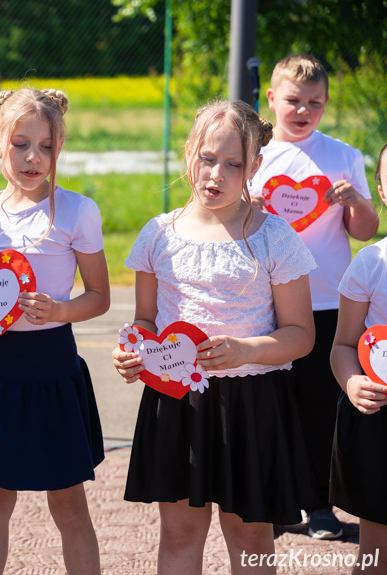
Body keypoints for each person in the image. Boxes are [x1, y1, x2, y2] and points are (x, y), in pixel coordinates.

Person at [112, 100, 320, 574]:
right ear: (188, 153)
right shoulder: (157, 235)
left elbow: (301, 334)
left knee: (249, 534)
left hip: (253, 406)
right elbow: (145, 322)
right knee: (180, 531)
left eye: (233, 164)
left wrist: (246, 349)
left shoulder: (275, 237)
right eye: (207, 158)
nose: (216, 174)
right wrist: (133, 352)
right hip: (176, 403)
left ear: (255, 166)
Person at [0, 88, 110, 575]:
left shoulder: (78, 212)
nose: (34, 157)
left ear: (60, 149)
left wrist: (59, 310)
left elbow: (99, 296)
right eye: (20, 144)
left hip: (52, 370)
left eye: (47, 146)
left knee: (70, 507)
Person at [250, 54, 379, 539]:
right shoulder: (253, 155)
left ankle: (319, 506)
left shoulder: (343, 154)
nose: (303, 111)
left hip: (329, 301)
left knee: (323, 404)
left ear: (325, 104)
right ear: (271, 99)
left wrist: (356, 202)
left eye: (315, 103)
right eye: (293, 101)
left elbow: (365, 231)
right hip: (266, 303)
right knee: (270, 404)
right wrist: (252, 208)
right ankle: (275, 503)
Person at [330, 144, 387, 575]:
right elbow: (343, 346)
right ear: (382, 190)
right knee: (376, 548)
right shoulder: (369, 263)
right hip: (379, 418)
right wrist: (352, 384)